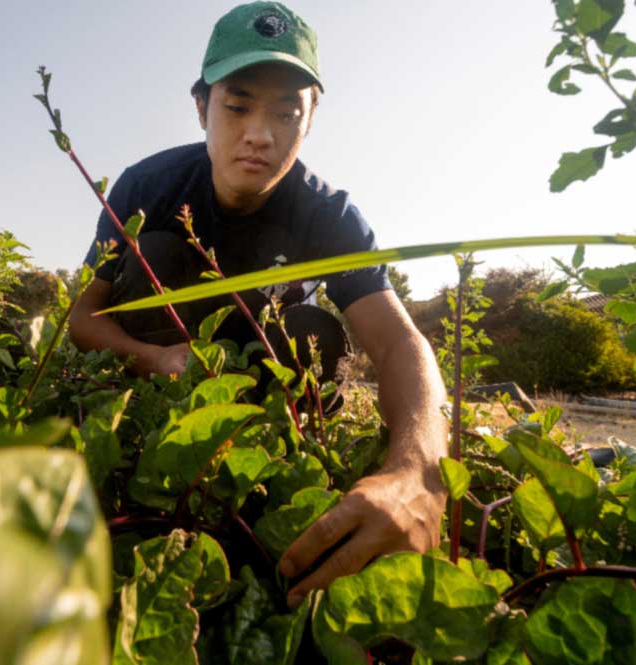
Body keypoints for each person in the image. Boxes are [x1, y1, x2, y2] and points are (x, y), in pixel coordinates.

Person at [69, 1, 448, 609]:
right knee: (158, 253)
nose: (260, 134)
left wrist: (420, 470)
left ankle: (271, 454)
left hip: (262, 379)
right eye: (238, 105)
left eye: (286, 112)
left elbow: (397, 339)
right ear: (201, 107)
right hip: (164, 361)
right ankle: (144, 446)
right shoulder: (148, 186)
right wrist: (154, 359)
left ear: (312, 118)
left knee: (313, 327)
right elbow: (83, 316)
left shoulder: (330, 214)